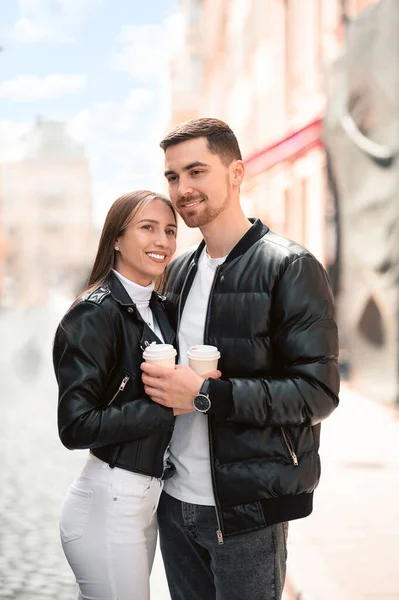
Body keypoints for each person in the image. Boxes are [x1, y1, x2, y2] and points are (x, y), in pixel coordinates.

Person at [141, 118, 340, 600]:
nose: (183, 189)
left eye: (196, 172)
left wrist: (208, 395)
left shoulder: (290, 267)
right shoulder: (178, 271)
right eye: (172, 177)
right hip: (173, 505)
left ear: (235, 173)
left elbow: (318, 393)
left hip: (247, 513)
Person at [53, 190, 183, 600]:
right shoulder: (94, 312)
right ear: (115, 238)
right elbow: (75, 426)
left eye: (169, 230)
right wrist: (167, 408)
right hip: (109, 504)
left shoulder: (159, 308)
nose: (161, 241)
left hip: (143, 503)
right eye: (148, 228)